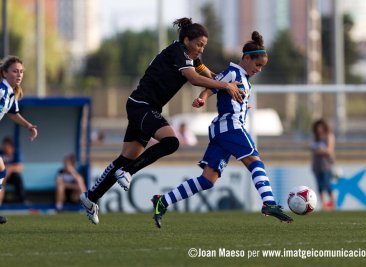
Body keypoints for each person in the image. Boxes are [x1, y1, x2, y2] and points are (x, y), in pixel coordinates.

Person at [80, 17, 244, 225]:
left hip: (142, 106)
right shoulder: (179, 53)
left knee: (126, 157)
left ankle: (91, 197)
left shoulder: (192, 58)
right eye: (199, 44)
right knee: (171, 142)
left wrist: (231, 85)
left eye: (204, 46)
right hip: (142, 105)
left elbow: (212, 76)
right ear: (187, 40)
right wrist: (224, 86)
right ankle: (127, 173)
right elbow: (194, 79)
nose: (201, 50)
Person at [151, 31, 293, 228]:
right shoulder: (233, 72)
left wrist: (244, 106)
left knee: (208, 180)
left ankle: (163, 201)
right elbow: (212, 86)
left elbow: (230, 96)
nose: (259, 69)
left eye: (262, 66)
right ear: (246, 58)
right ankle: (269, 202)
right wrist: (203, 98)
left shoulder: (244, 80)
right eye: (257, 65)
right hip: (230, 127)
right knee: (254, 160)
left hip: (223, 131)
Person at [0, 56, 38, 224]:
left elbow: (13, 113)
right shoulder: (2, 90)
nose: (19, 74)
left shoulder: (10, 93)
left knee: (1, 171)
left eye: (21, 71)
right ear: (4, 73)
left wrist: (29, 125)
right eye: (15, 71)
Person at [310, 118, 336, 210]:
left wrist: (319, 150)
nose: (319, 130)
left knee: (327, 184)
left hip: (326, 165)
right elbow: (312, 148)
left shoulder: (329, 135)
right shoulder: (316, 137)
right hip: (317, 165)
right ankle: (324, 205)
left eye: (320, 127)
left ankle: (333, 203)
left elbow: (329, 151)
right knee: (320, 186)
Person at [0, 137, 26, 205]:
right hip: (2, 176)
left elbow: (20, 167)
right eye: (4, 146)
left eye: (7, 146)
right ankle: (2, 202)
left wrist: (10, 168)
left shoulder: (16, 153)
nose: (5, 148)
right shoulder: (1, 153)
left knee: (18, 177)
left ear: (11, 146)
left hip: (12, 176)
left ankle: (22, 201)